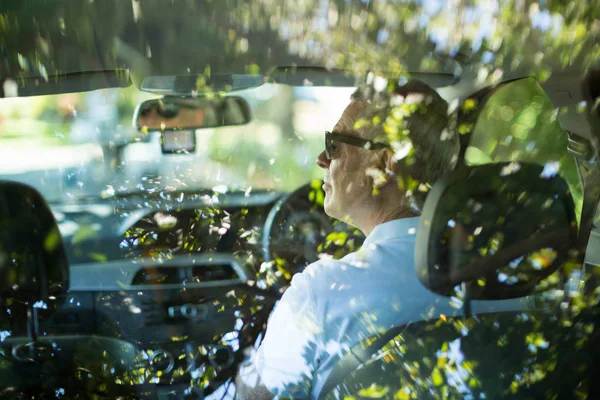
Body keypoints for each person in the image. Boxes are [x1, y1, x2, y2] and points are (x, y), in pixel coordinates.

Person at [236, 78, 528, 399]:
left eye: (334, 144)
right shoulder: (515, 277)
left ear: (385, 164)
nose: (322, 158)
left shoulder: (321, 292)